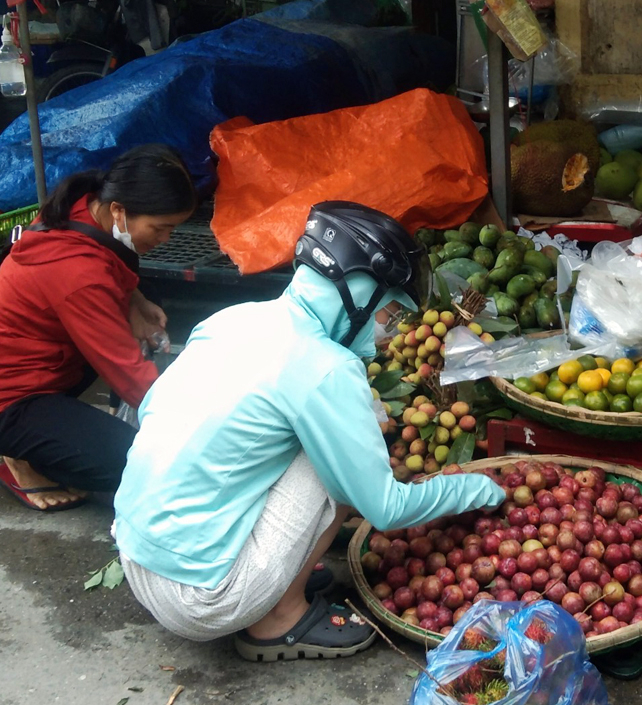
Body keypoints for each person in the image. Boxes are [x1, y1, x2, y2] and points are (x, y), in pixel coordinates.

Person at [112, 202, 505, 662]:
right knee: (342, 462)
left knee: (314, 443)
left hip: (137, 554)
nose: (387, 334)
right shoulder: (324, 367)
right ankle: (278, 619)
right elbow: (384, 507)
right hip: (203, 600)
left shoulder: (230, 320)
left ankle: (275, 582)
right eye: (389, 314)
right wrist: (478, 489)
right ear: (359, 295)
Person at [0, 144, 197, 511]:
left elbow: (108, 262)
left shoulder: (82, 206)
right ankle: (21, 458)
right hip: (12, 395)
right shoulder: (79, 276)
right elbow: (131, 376)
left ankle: (49, 434)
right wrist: (203, 428)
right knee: (143, 467)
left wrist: (134, 301)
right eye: (161, 227)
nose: (166, 239)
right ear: (119, 211)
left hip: (44, 359)